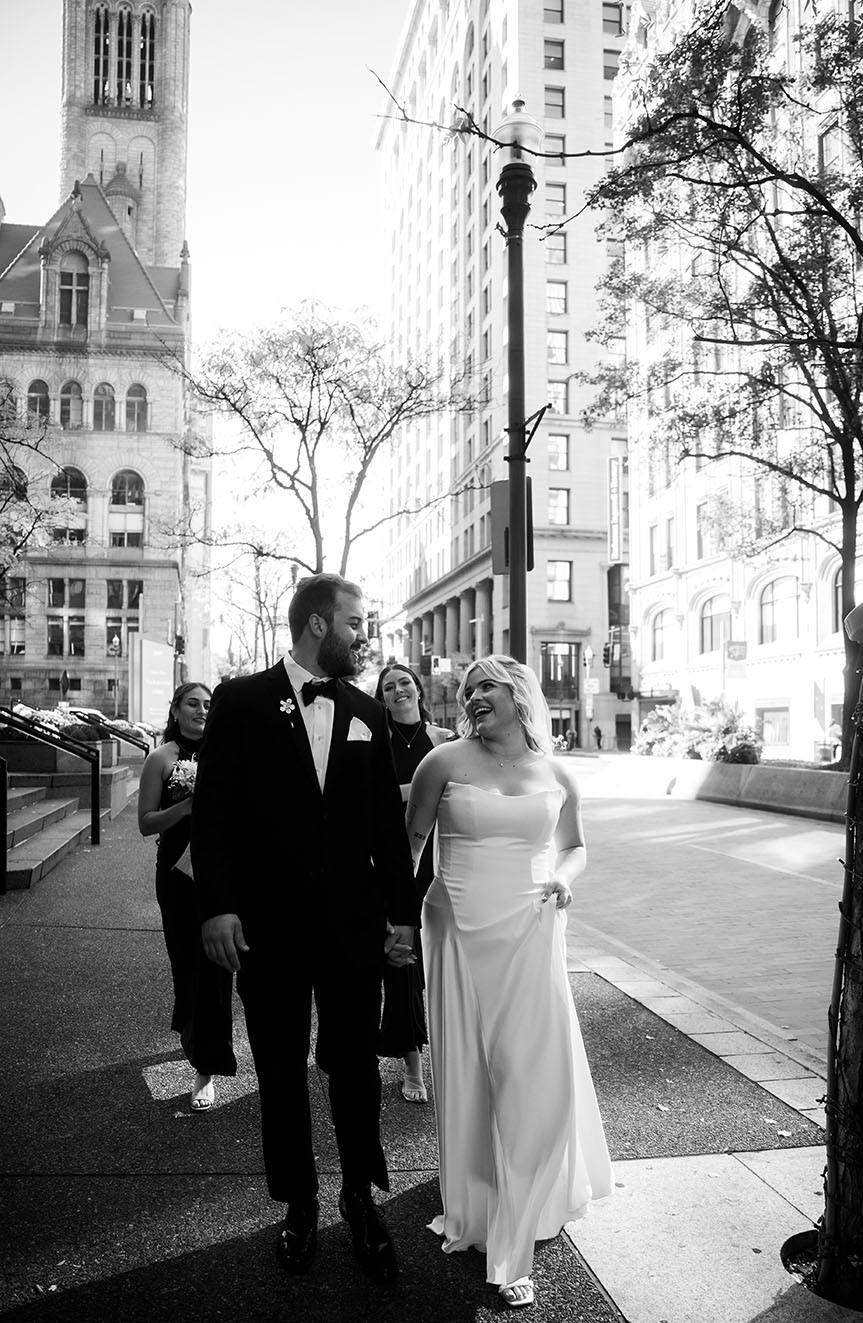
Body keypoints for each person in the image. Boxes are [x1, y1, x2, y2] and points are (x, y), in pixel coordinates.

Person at [191, 573, 418, 1286]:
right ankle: (297, 1202)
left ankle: (359, 1196)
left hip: (352, 929)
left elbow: (387, 821)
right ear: (319, 624)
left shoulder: (364, 709)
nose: (363, 635)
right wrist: (216, 905)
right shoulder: (240, 700)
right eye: (354, 622)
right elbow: (214, 811)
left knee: (354, 1068)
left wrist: (400, 916)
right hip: (267, 929)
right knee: (280, 1069)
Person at [406, 655, 613, 1310]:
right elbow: (405, 851)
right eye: (466, 690)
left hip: (531, 931)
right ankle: (482, 1208)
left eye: (485, 686)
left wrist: (564, 875)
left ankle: (513, 1243)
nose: (471, 697)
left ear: (518, 691)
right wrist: (391, 929)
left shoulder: (555, 772)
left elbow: (575, 846)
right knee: (474, 1076)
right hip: (457, 934)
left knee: (532, 1080)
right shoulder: (439, 764)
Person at [137, 681, 236, 1111]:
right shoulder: (161, 759)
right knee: (186, 963)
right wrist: (185, 807)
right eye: (192, 703)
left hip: (220, 876)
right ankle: (190, 1028)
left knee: (217, 969)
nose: (201, 710)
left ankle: (206, 1069)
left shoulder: (229, 753)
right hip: (176, 878)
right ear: (176, 710)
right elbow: (145, 823)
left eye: (208, 705)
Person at [373, 663, 452, 1103]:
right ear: (382, 698)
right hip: (392, 865)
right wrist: (418, 791)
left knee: (436, 964)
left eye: (404, 682)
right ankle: (413, 1065)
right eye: (389, 687)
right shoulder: (375, 743)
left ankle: (449, 1052)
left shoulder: (444, 741)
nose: (398, 690)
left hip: (439, 864)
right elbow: (369, 800)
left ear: (418, 689)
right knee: (400, 964)